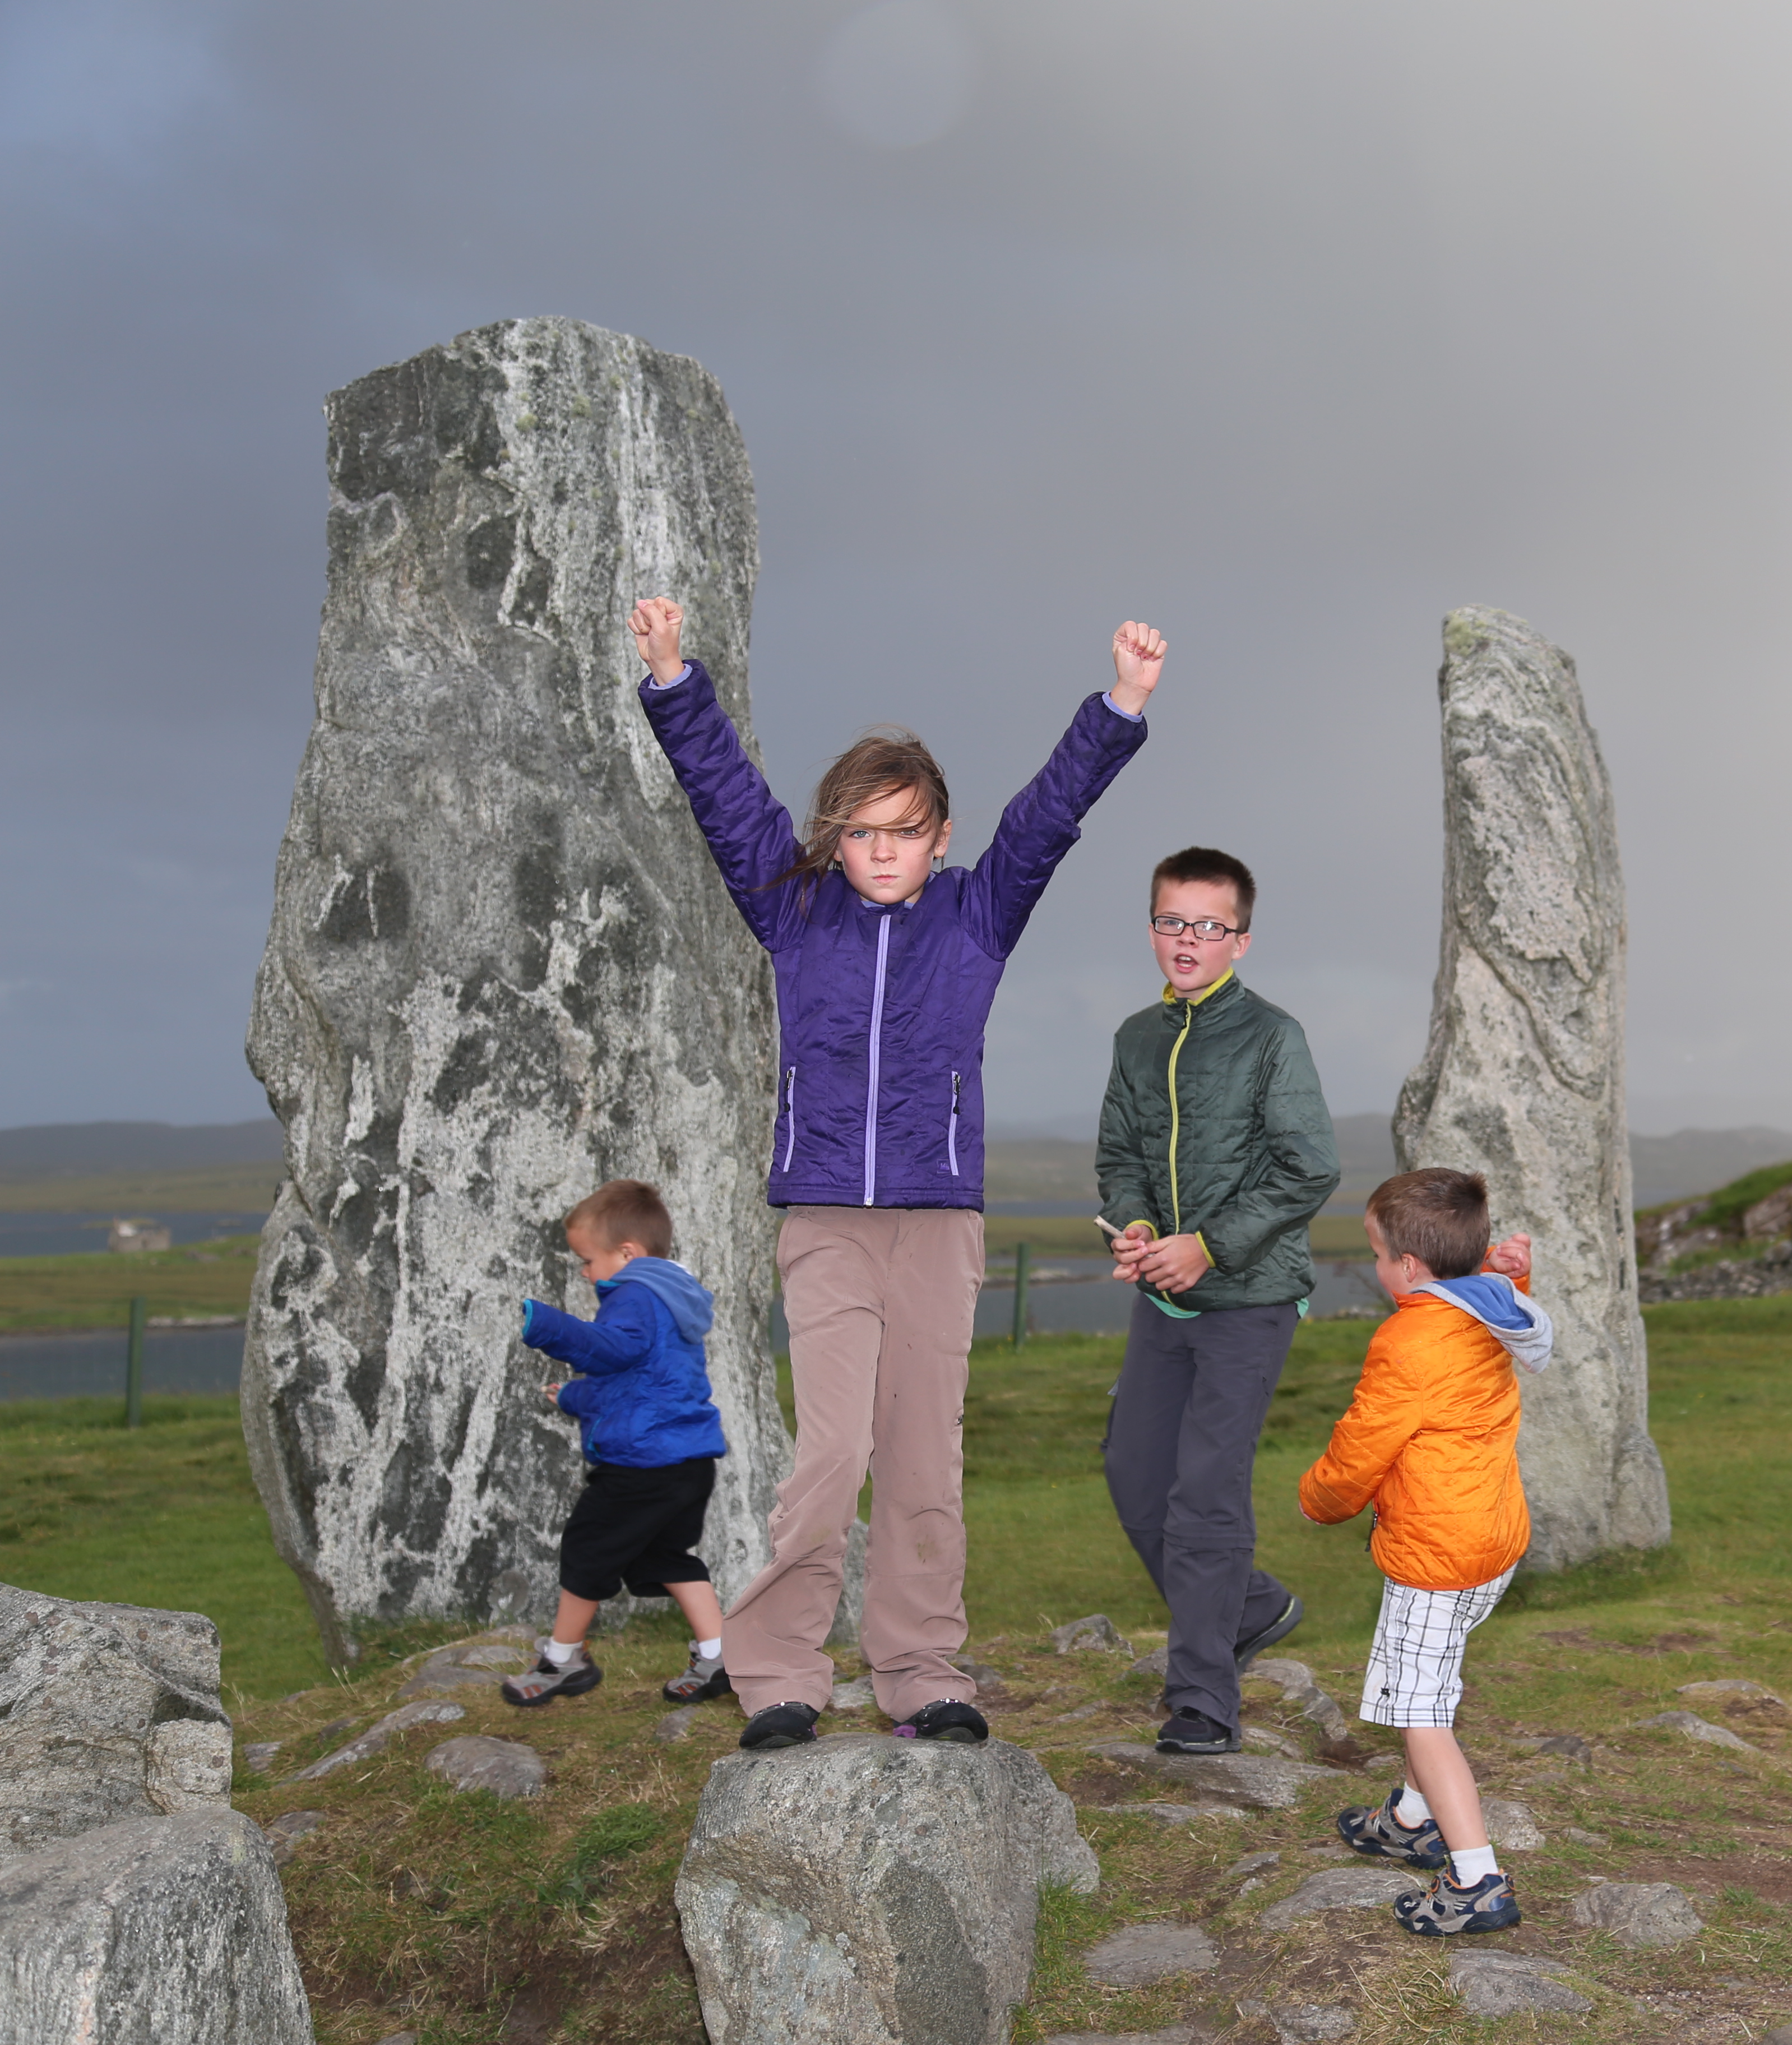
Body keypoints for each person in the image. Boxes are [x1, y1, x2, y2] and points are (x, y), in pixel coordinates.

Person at [629, 595, 1163, 1751]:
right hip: (823, 1216)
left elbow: (1050, 816)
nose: (882, 852)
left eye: (904, 831)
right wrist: (675, 679)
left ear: (939, 836)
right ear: (834, 837)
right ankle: (777, 1669)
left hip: (939, 1222)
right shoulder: (796, 911)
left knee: (924, 1447)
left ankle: (920, 1668)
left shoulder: (978, 913)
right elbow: (726, 798)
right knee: (831, 1450)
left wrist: (1119, 704)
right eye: (862, 832)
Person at [1096, 846, 1341, 1754]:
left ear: (1240, 938)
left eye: (1208, 924)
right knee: (1133, 1473)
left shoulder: (1273, 1036)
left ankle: (1203, 1698)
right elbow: (1120, 1155)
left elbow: (1310, 1165)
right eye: (1171, 920)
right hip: (1162, 1298)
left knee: (1205, 1491)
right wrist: (1131, 1226)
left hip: (1252, 1296)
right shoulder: (1135, 1038)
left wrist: (1208, 1244)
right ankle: (1250, 1604)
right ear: (1152, 926)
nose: (1186, 938)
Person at [1300, 1167, 1552, 1936]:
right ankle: (1412, 1818)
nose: (1377, 1269)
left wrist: (1320, 1499)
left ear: (1410, 1268)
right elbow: (1496, 1295)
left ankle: (1477, 1877)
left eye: (1378, 1255)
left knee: (1419, 1710)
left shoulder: (1410, 1338)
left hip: (1437, 1555)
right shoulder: (1484, 1305)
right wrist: (1513, 1270)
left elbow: (1361, 1447)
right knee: (1427, 1678)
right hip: (1491, 1540)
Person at [503, 1179, 735, 1708]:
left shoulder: (634, 1295)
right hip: (686, 1461)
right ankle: (719, 1654)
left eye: (587, 1260)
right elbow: (639, 1383)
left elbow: (612, 1352)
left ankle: (564, 1660)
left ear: (626, 1253)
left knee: (588, 1550)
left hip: (641, 1465)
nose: (585, 1273)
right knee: (666, 1557)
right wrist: (572, 1397)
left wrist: (547, 1326)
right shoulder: (673, 1300)